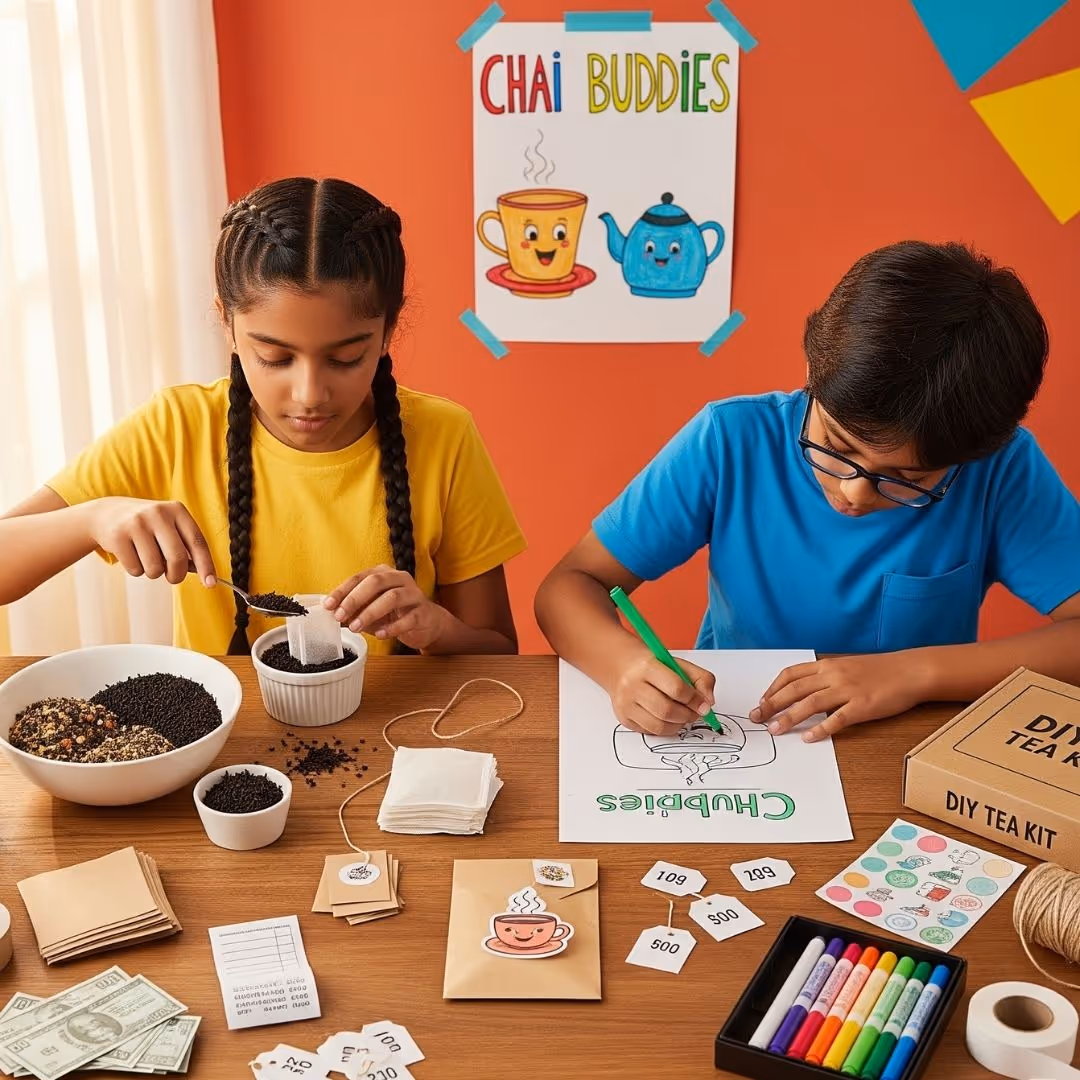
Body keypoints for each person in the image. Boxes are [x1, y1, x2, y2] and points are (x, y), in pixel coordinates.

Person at [535, 241, 1080, 741]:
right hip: (745, 727)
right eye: (836, 445)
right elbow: (570, 584)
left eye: (908, 480)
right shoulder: (731, 440)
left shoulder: (1002, 468)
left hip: (913, 741)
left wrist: (916, 671)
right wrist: (623, 666)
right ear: (812, 377)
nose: (855, 492)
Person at [0, 178, 525, 657]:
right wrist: (91, 518)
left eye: (346, 358)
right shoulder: (175, 428)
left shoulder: (444, 436)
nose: (310, 394)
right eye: (274, 358)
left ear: (387, 333)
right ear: (227, 325)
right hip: (225, 745)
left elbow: (499, 650)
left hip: (399, 734)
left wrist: (433, 626)